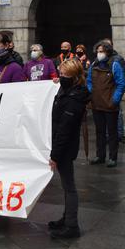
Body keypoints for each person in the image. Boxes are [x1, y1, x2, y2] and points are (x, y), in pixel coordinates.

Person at [49, 57, 90, 239]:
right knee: (67, 186)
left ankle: (72, 225)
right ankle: (66, 219)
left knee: (69, 186)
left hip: (65, 147)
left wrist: (55, 156)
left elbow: (65, 129)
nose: (61, 76)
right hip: (62, 144)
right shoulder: (68, 90)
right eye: (60, 73)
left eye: (64, 75)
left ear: (73, 77)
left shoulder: (75, 98)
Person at [87, 41, 125, 167]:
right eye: (98, 51)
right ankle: (100, 155)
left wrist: (114, 100)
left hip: (110, 104)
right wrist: (91, 93)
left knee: (112, 132)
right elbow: (89, 81)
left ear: (107, 52)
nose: (99, 54)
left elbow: (121, 84)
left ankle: (113, 157)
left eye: (102, 51)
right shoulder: (94, 65)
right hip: (96, 103)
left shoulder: (114, 64)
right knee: (99, 132)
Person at [101, 38, 125, 145]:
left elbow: (124, 75)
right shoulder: (100, 59)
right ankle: (108, 136)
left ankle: (119, 135)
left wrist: (117, 88)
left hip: (114, 90)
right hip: (103, 91)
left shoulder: (118, 58)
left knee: (118, 113)